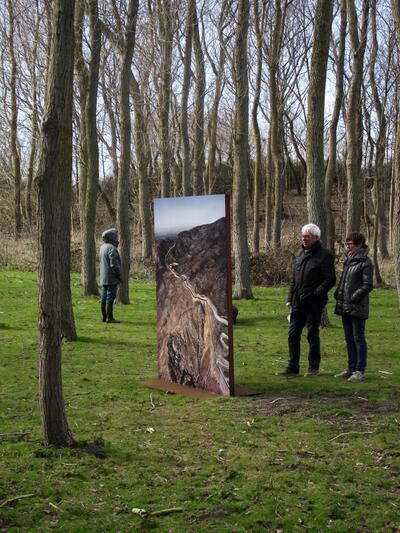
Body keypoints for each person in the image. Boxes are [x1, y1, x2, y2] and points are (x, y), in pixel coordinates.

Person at [279, 223, 336, 377]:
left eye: (307, 236)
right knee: (293, 334)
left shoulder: (325, 256)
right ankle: (292, 367)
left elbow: (330, 280)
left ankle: (313, 367)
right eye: (302, 236)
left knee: (312, 334)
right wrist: (289, 298)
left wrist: (316, 293)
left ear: (316, 238)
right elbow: (294, 279)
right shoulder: (299, 254)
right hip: (298, 302)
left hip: (314, 303)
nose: (303, 239)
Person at [334, 232, 373, 382]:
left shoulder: (366, 262)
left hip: (357, 306)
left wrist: (352, 297)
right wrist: (338, 294)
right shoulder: (348, 260)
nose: (348, 246)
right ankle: (350, 368)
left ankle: (359, 370)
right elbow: (344, 281)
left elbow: (367, 285)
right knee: (349, 338)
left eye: (350, 244)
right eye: (347, 243)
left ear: (359, 244)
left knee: (359, 338)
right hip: (345, 305)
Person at [99, 228, 122, 324]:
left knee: (104, 296)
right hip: (111, 277)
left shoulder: (103, 247)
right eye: (116, 237)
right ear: (112, 237)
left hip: (104, 277)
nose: (117, 239)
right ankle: (109, 317)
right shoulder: (111, 249)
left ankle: (104, 316)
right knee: (110, 297)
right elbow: (114, 265)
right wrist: (119, 275)